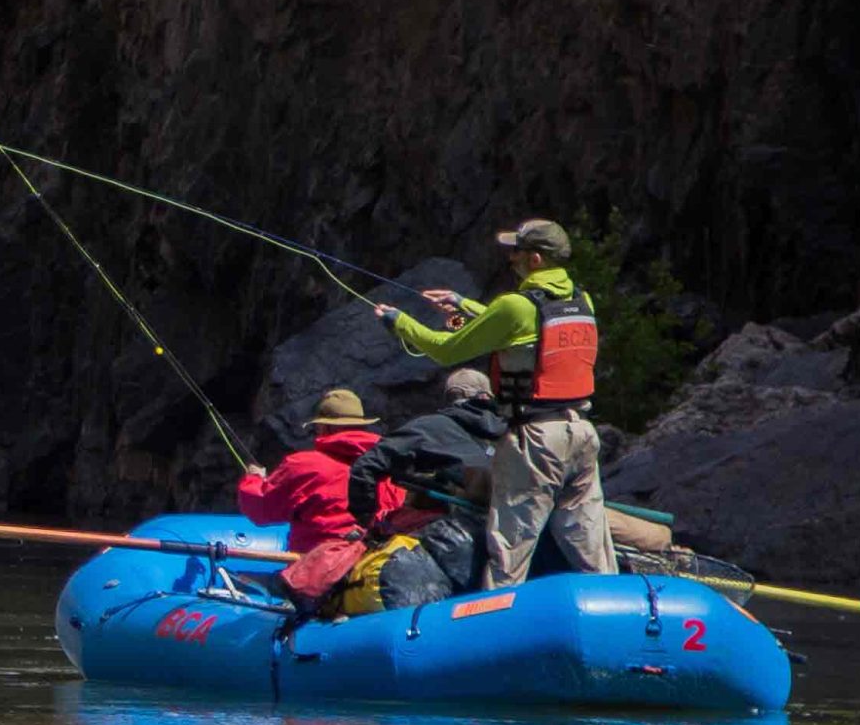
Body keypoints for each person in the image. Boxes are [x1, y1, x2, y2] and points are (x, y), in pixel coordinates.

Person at [373, 217, 617, 588]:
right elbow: (526, 323)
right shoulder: (582, 300)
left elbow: (445, 350)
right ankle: (614, 612)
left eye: (516, 252)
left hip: (535, 440)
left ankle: (495, 622)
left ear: (535, 259)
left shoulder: (514, 306)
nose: (511, 259)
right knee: (590, 545)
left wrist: (399, 322)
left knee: (510, 548)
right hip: (582, 433)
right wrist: (463, 305)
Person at [237, 389, 402, 612]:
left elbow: (258, 508)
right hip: (374, 571)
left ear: (325, 428)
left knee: (240, 580)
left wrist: (253, 478)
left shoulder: (304, 465)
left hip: (317, 578)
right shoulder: (390, 466)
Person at [343, 365, 503, 593]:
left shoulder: (429, 427)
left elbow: (365, 468)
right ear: (487, 396)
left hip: (454, 535)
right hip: (509, 531)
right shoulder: (513, 430)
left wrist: (365, 521)